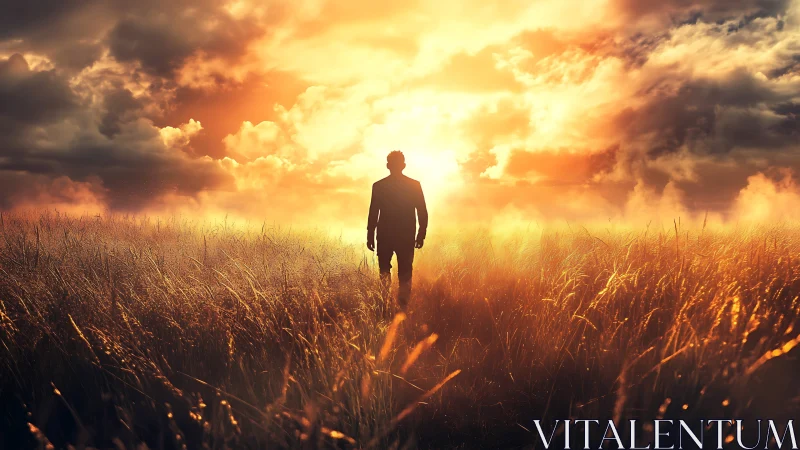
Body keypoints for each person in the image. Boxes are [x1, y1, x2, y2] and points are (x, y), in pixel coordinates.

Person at [366, 150, 428, 308]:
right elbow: (422, 211)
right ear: (403, 165)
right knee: (405, 272)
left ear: (388, 166)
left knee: (385, 271)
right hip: (405, 236)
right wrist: (421, 234)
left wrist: (370, 235)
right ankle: (402, 309)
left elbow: (373, 212)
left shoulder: (379, 186)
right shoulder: (414, 185)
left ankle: (385, 306)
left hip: (385, 236)